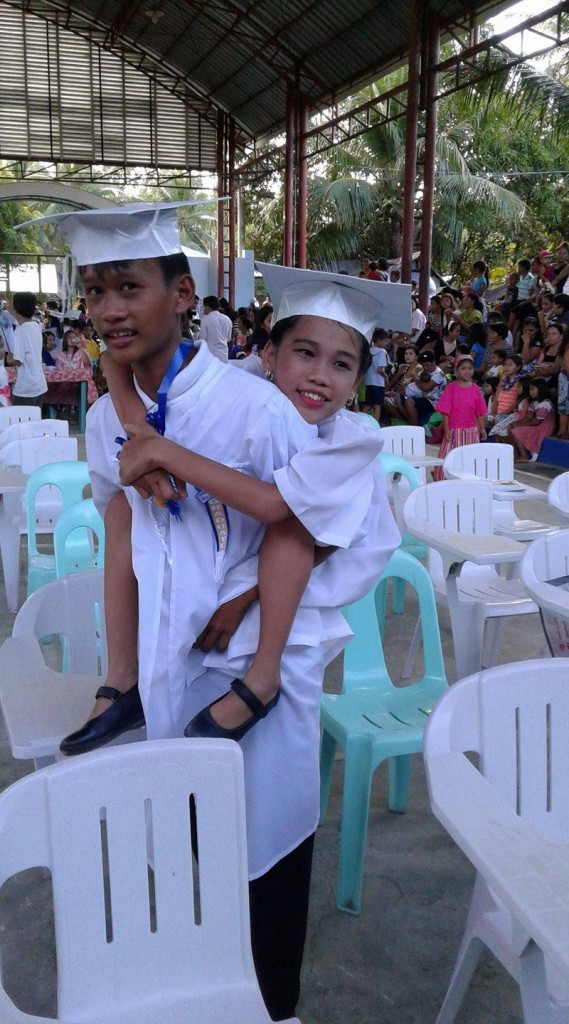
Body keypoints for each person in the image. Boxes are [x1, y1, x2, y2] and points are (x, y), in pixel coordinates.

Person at [18, 201, 405, 1023]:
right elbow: (120, 533)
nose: (110, 309)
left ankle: (274, 1008)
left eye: (129, 286)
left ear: (183, 294)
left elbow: (321, 526)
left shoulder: (258, 409)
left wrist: (252, 615)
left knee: (262, 848)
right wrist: (119, 675)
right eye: (95, 292)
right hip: (167, 663)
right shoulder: (100, 419)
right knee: (179, 840)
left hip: (261, 659)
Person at [434, 353, 487, 476]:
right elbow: (446, 411)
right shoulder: (451, 387)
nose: (467, 371)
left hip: (471, 431)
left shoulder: (475, 389)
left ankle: (469, 479)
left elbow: (479, 412)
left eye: (470, 368)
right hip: (454, 431)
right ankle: (445, 478)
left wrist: (482, 428)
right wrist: (446, 428)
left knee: (470, 457)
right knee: (451, 455)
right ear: (456, 370)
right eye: (463, 368)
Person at [5, 291, 47, 406]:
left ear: (17, 309)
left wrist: (9, 358)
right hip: (40, 385)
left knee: (21, 422)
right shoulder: (36, 325)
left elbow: (17, 361)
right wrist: (13, 311)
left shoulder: (20, 332)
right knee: (34, 421)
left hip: (26, 389)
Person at [509, 380, 555, 462]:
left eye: (532, 389)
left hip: (543, 428)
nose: (530, 392)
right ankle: (517, 454)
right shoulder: (538, 403)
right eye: (530, 389)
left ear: (540, 389)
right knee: (512, 427)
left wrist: (521, 424)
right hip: (539, 425)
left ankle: (524, 456)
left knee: (516, 431)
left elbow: (536, 422)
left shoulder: (545, 404)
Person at [361, 326, 389, 422]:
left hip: (368, 382)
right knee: (377, 406)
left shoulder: (369, 350)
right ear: (380, 340)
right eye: (385, 340)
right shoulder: (382, 352)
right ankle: (376, 426)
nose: (386, 343)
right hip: (378, 383)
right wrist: (386, 376)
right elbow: (380, 369)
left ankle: (361, 422)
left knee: (368, 405)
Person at [198, 295, 232, 362]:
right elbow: (228, 339)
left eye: (203, 306)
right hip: (224, 354)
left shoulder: (205, 320)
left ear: (208, 307)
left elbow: (202, 340)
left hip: (211, 355)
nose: (203, 309)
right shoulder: (227, 319)